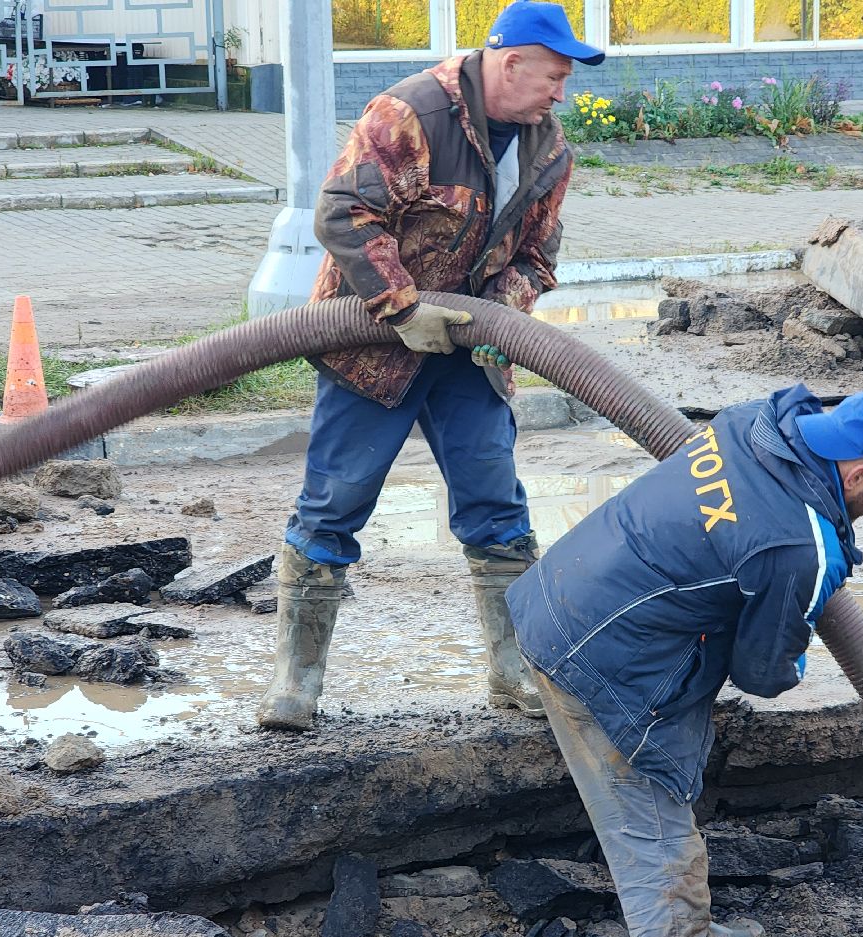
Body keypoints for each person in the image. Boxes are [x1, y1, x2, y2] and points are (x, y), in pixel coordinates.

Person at [507, 387, 863, 937]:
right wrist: (793, 643)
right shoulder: (799, 547)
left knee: (676, 777)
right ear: (854, 474)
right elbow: (763, 672)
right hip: (598, 664)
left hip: (556, 593)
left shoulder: (758, 423)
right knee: (661, 851)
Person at [258, 1, 604, 732]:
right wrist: (402, 306)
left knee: (498, 511)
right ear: (510, 64)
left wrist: (499, 314)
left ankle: (515, 673)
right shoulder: (411, 113)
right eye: (554, 76)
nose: (560, 93)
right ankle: (295, 684)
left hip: (468, 357)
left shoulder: (547, 149)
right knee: (335, 504)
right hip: (373, 348)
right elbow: (346, 212)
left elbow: (538, 258)